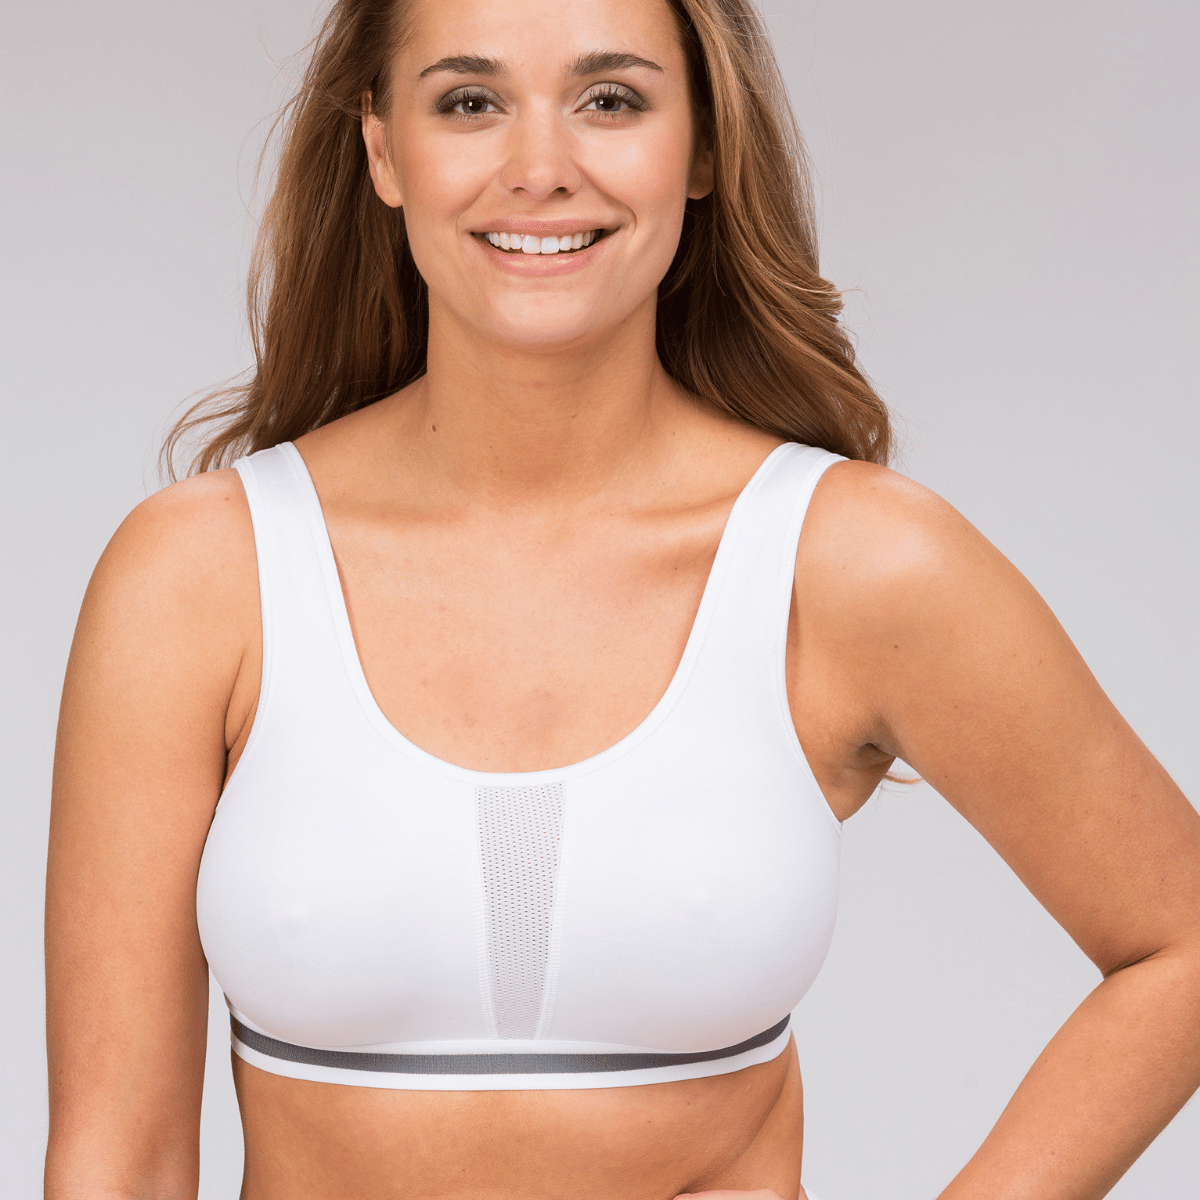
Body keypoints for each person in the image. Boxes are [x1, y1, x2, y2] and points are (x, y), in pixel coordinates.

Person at [43, 0, 1200, 1196]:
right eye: (470, 102)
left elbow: (1181, 942)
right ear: (383, 149)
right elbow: (118, 1156)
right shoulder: (200, 575)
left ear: (702, 146)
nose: (540, 168)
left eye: (611, 99)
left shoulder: (846, 563)